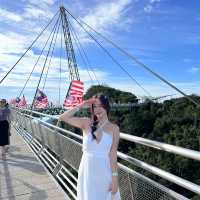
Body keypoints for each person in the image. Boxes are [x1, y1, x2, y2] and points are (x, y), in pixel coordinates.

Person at [59, 94, 121, 200]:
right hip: (88, 171)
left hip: (105, 172)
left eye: (100, 105)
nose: (97, 109)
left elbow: (113, 154)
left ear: (106, 106)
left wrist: (115, 178)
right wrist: (81, 105)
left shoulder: (114, 128)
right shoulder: (86, 122)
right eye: (95, 106)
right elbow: (63, 117)